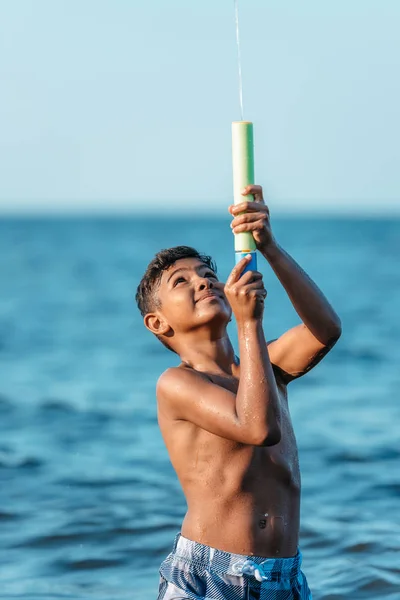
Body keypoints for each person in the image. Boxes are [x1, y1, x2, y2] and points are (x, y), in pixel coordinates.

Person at [136, 185, 341, 600]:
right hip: (208, 577)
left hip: (284, 577)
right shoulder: (178, 384)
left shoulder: (268, 368)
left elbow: (326, 330)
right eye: (182, 281)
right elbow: (256, 426)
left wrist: (271, 248)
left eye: (208, 274)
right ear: (158, 324)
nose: (202, 282)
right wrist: (249, 323)